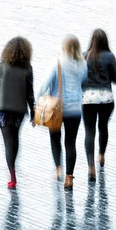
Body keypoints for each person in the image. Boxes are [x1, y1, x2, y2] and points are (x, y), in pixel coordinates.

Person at [38, 35, 87, 190]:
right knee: (71, 143)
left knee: (55, 138)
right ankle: (69, 178)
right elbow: (83, 82)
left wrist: (37, 101)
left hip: (56, 108)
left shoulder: (57, 62)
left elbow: (45, 83)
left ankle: (59, 168)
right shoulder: (83, 65)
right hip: (75, 109)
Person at [0, 37, 35, 189]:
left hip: (2, 109)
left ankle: (12, 176)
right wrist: (33, 112)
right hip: (19, 110)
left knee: (8, 141)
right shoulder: (28, 69)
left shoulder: (0, 67)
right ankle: (13, 171)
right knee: (14, 140)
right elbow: (30, 93)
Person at [82, 29, 116, 182]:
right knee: (103, 127)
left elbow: (81, 79)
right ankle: (101, 155)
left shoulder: (85, 56)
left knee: (89, 132)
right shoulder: (110, 56)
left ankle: (91, 167)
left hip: (88, 99)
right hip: (106, 99)